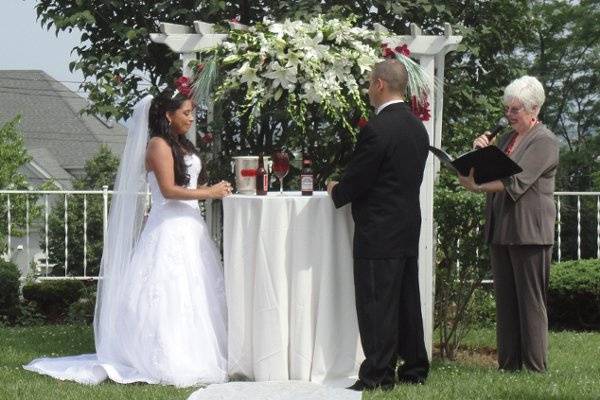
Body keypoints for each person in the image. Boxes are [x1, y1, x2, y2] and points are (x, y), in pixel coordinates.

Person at [24, 88, 232, 386]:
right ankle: (164, 355)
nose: (191, 118)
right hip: (168, 227)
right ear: (167, 115)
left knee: (195, 288)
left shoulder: (182, 145)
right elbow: (169, 191)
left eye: (192, 113)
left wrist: (213, 188)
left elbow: (188, 184)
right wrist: (209, 193)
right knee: (168, 289)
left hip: (189, 225)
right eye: (186, 113)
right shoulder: (158, 145)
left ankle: (201, 351)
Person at [327, 59, 430, 391]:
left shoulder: (377, 129)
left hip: (378, 229)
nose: (368, 89)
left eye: (370, 83)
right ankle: (414, 369)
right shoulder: (417, 127)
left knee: (376, 304)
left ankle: (377, 375)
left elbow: (359, 180)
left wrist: (336, 190)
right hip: (407, 225)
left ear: (381, 85)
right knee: (406, 301)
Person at [457, 75, 559, 372]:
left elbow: (516, 181)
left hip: (529, 231)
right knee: (506, 301)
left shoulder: (544, 141)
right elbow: (492, 170)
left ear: (534, 109)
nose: (509, 115)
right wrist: (479, 153)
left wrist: (476, 187)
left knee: (530, 302)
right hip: (502, 226)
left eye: (515, 110)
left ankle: (535, 367)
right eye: (507, 109)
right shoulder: (508, 138)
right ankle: (509, 365)